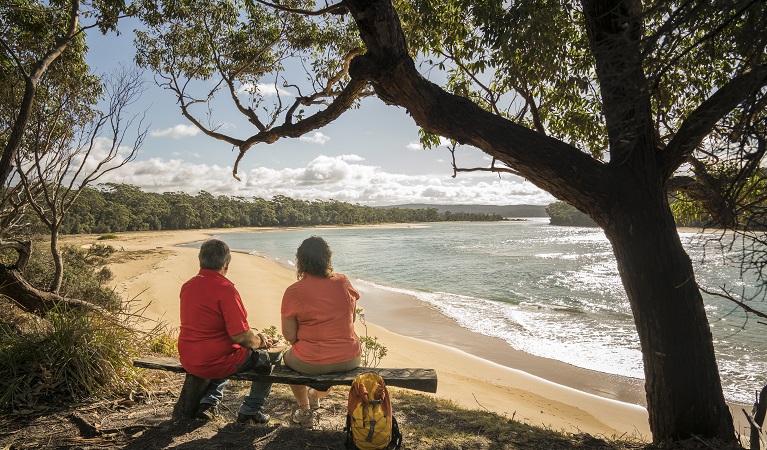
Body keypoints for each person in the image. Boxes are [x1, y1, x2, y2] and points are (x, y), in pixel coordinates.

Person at [178, 239, 273, 424]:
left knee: (230, 352)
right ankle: (251, 409)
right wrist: (261, 341)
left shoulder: (188, 285)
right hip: (210, 361)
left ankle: (208, 403)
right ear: (226, 264)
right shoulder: (225, 288)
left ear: (201, 260)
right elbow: (241, 336)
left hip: (189, 357)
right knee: (266, 360)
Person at [281, 236, 362, 427]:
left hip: (312, 361)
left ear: (301, 261)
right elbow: (351, 319)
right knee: (323, 367)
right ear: (327, 258)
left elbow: (289, 336)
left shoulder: (294, 291)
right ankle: (314, 395)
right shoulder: (343, 282)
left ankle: (305, 410)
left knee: (288, 360)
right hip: (350, 358)